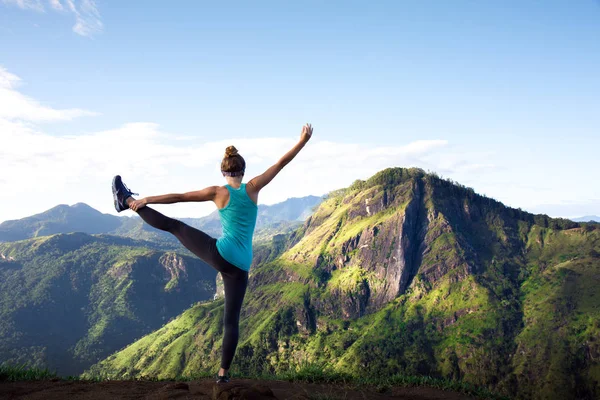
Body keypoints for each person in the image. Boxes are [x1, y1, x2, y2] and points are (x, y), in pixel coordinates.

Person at [111, 123, 313, 383]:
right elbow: (281, 163)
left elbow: (180, 197)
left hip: (221, 254)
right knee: (232, 322)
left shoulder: (218, 192)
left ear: (223, 171)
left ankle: (126, 201)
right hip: (242, 266)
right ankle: (222, 376)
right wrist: (302, 141)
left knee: (175, 226)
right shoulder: (253, 187)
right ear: (243, 170)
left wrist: (146, 200)